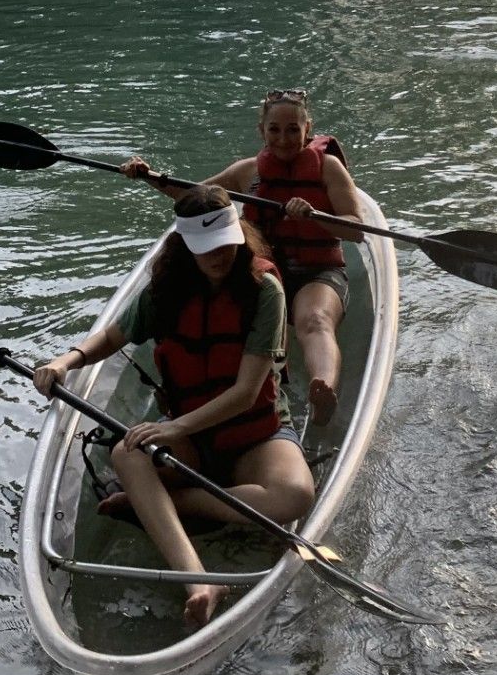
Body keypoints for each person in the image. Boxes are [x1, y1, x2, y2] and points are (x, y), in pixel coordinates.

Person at [31, 185, 316, 627]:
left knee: (295, 495)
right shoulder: (166, 289)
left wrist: (175, 428)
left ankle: (166, 503)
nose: (218, 255)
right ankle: (198, 580)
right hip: (192, 437)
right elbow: (112, 336)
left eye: (225, 242)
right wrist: (66, 361)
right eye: (206, 249)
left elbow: (244, 392)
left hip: (255, 434)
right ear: (185, 246)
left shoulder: (265, 290)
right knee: (127, 451)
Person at [122, 89, 362, 427]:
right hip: (261, 270)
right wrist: (149, 177)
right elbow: (193, 195)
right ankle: (223, 390)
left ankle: (322, 386)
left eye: (293, 129)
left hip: (316, 271)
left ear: (308, 129)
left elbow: (356, 230)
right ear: (261, 130)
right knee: (229, 326)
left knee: (314, 321)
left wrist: (315, 216)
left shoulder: (328, 168)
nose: (283, 139)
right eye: (275, 129)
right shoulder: (247, 171)